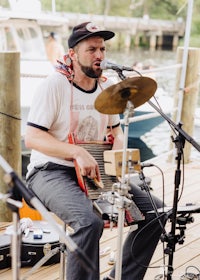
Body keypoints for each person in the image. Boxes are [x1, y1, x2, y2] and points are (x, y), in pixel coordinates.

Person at [25, 22, 167, 280]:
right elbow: (32, 138)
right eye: (91, 49)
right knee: (89, 223)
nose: (100, 55)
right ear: (72, 54)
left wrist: (119, 149)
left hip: (95, 172)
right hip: (50, 171)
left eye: (102, 48)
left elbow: (116, 132)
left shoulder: (105, 88)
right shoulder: (54, 85)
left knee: (156, 214)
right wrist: (76, 152)